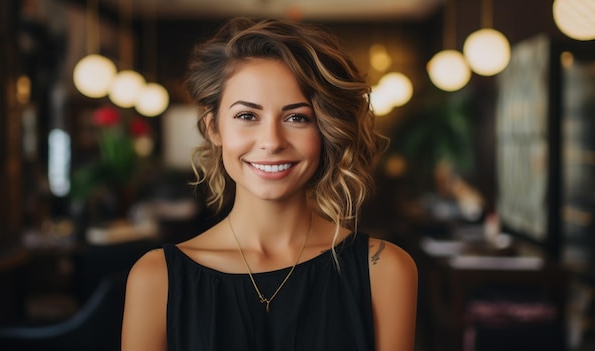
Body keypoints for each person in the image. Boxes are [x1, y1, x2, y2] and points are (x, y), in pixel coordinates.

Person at [122, 17, 418, 351]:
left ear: (325, 131)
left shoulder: (384, 270)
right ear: (213, 128)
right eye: (247, 116)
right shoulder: (154, 278)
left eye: (297, 117)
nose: (272, 141)